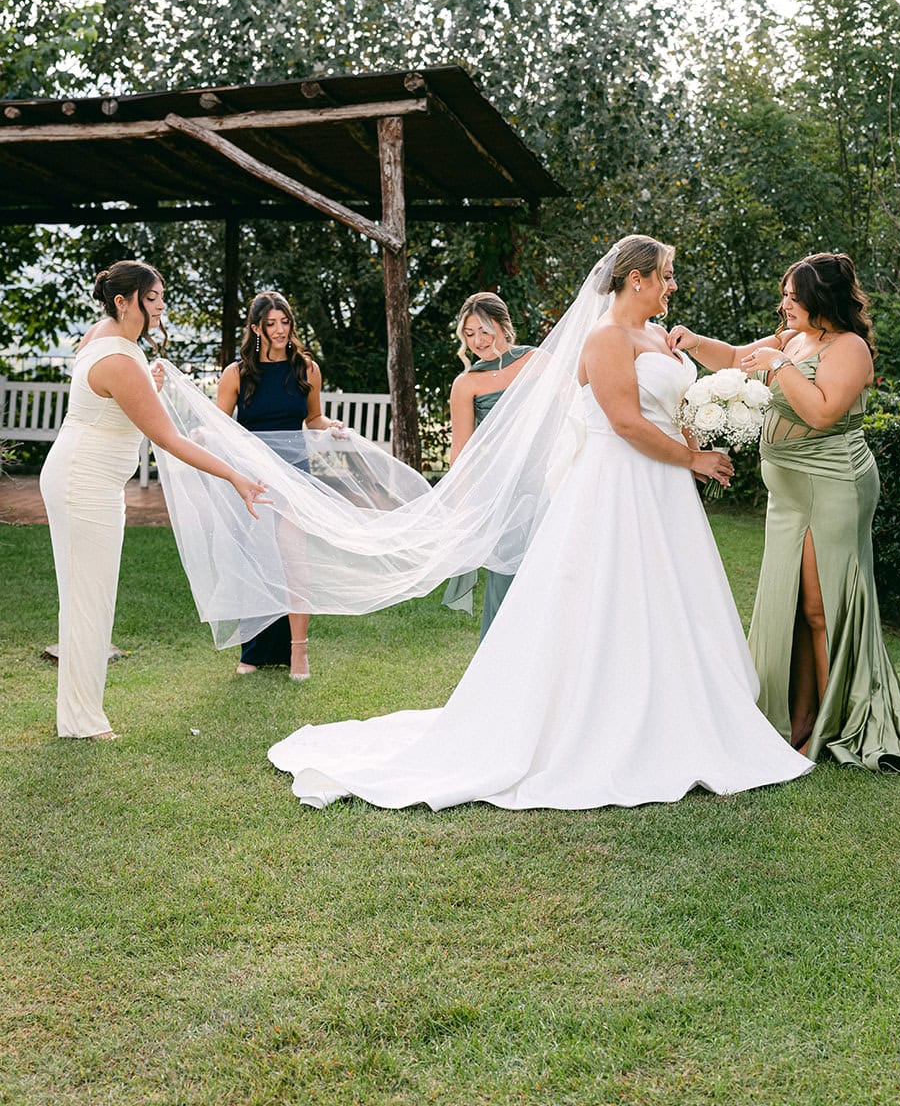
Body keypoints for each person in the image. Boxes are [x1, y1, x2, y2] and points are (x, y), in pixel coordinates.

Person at [266, 236, 813, 809]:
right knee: (603, 595)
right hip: (619, 482)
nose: (672, 285)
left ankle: (677, 711)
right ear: (636, 280)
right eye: (666, 276)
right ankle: (597, 718)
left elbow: (670, 405)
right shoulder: (605, 338)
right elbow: (624, 421)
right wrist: (692, 457)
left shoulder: (659, 336)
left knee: (666, 594)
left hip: (663, 488)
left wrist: (695, 435)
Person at [669, 251, 900, 773]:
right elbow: (733, 359)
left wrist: (780, 364)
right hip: (788, 493)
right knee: (789, 606)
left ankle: (835, 725)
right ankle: (796, 719)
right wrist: (692, 341)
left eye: (794, 296)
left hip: (831, 485)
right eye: (785, 295)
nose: (784, 304)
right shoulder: (793, 339)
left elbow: (819, 411)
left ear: (822, 300)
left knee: (820, 608)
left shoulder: (849, 348)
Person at [39, 261, 268, 741]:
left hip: (81, 476)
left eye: (162, 294)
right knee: (88, 600)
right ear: (124, 301)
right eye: (153, 296)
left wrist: (150, 387)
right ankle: (81, 722)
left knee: (88, 597)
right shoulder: (121, 358)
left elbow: (109, 402)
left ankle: (76, 715)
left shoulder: (105, 337)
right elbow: (166, 437)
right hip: (85, 483)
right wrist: (234, 476)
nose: (161, 304)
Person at [216, 291, 343, 680]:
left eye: (284, 322)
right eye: (270, 324)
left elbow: (314, 418)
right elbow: (220, 423)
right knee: (255, 562)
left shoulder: (306, 368)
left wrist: (331, 427)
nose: (279, 331)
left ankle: (298, 652)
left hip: (295, 476)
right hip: (253, 480)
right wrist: (206, 432)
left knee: (294, 562)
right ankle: (254, 649)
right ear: (255, 328)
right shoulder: (236, 374)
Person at [441, 292, 535, 638]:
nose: (477, 341)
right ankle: (498, 662)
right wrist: (462, 505)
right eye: (469, 334)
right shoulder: (466, 384)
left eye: (484, 330)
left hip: (547, 483)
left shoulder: (536, 361)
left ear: (503, 326)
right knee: (505, 577)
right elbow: (461, 450)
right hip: (502, 492)